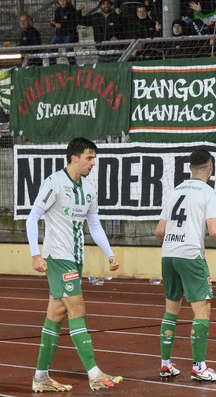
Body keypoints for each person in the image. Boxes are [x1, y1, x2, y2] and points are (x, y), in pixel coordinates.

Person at [25, 137, 122, 392]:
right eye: (89, 157)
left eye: (94, 158)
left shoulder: (88, 187)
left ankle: (40, 376)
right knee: (77, 308)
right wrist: (36, 254)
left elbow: (95, 223)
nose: (93, 162)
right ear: (74, 158)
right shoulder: (54, 183)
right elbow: (32, 217)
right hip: (58, 257)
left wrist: (109, 254)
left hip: (76, 259)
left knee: (56, 314)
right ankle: (94, 373)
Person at [155, 149, 216, 383]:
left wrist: (174, 243)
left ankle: (165, 365)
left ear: (189, 168)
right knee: (202, 311)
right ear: (211, 168)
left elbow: (159, 231)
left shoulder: (174, 192)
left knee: (171, 310)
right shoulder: (209, 193)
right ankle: (199, 368)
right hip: (190, 256)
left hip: (168, 255)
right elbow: (215, 231)